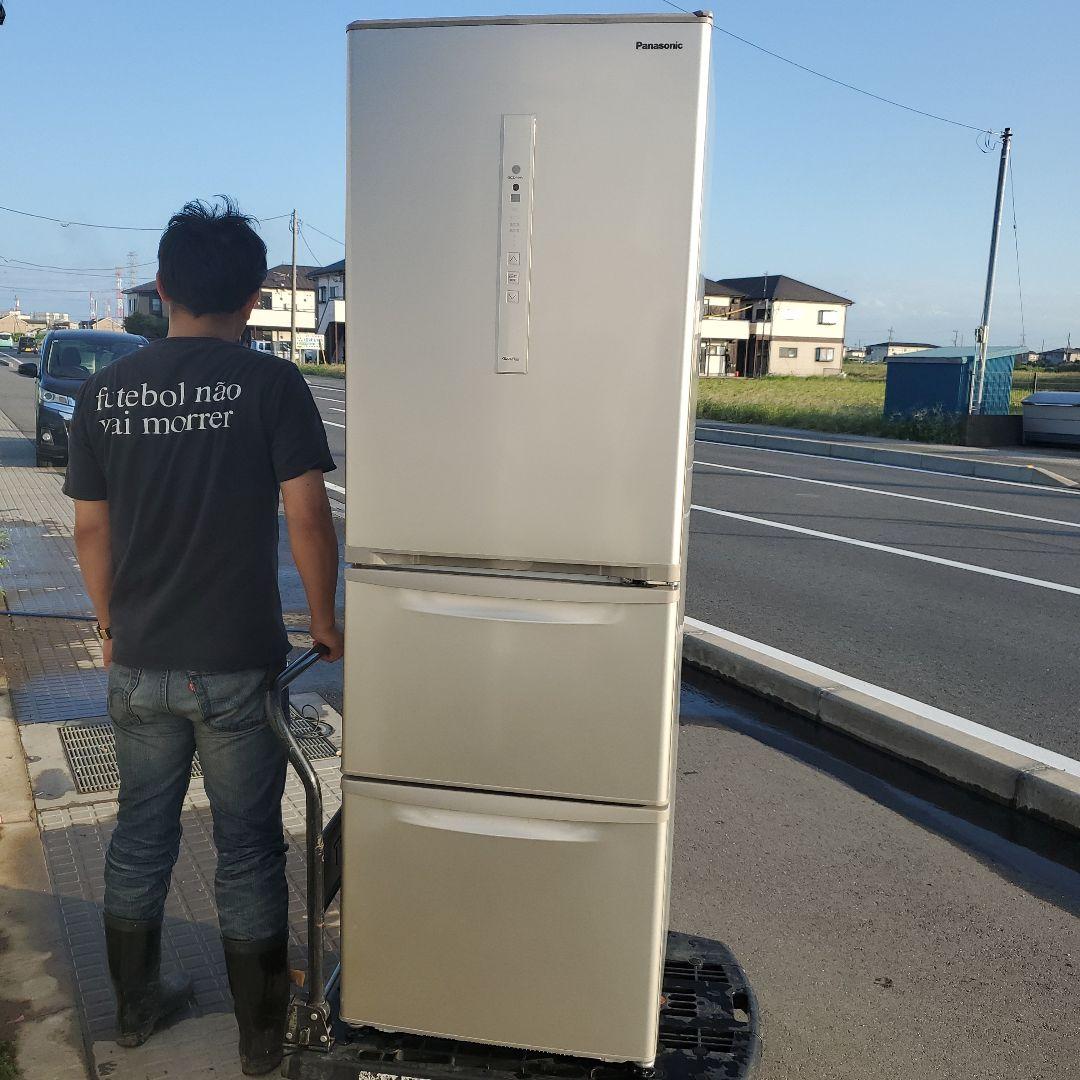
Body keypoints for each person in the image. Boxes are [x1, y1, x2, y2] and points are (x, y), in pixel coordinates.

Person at [64, 198, 344, 1077]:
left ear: (160, 289)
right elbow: (307, 516)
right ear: (254, 298)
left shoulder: (106, 391)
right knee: (247, 848)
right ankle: (259, 1037)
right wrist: (325, 620)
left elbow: (89, 530)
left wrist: (111, 624)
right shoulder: (270, 385)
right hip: (235, 663)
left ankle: (135, 1010)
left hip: (140, 658)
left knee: (139, 836)